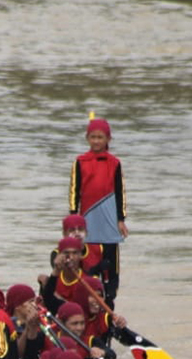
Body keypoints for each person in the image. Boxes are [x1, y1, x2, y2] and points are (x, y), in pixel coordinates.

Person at [69, 117, 128, 306]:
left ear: (108, 139)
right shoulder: (80, 161)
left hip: (109, 219)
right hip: (88, 219)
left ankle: (110, 299)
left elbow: (120, 192)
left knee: (111, 263)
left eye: (100, 137)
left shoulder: (115, 163)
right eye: (93, 137)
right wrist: (73, 217)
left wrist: (121, 219)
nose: (96, 141)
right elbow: (74, 190)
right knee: (89, 261)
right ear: (87, 138)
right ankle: (88, 298)